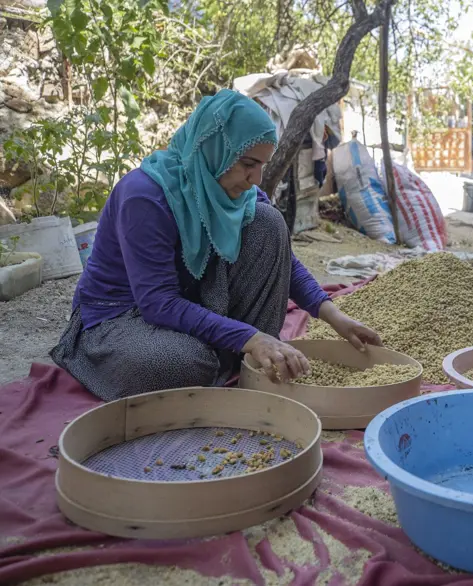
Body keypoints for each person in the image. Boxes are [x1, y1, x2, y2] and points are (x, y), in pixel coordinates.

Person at [51, 90, 380, 401]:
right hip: (122, 315)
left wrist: (335, 317)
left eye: (262, 166)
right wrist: (248, 337)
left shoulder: (238, 191)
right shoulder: (145, 195)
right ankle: (230, 351)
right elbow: (157, 302)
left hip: (193, 298)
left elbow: (286, 263)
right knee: (185, 364)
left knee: (268, 222)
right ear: (214, 149)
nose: (255, 179)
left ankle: (243, 354)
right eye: (248, 164)